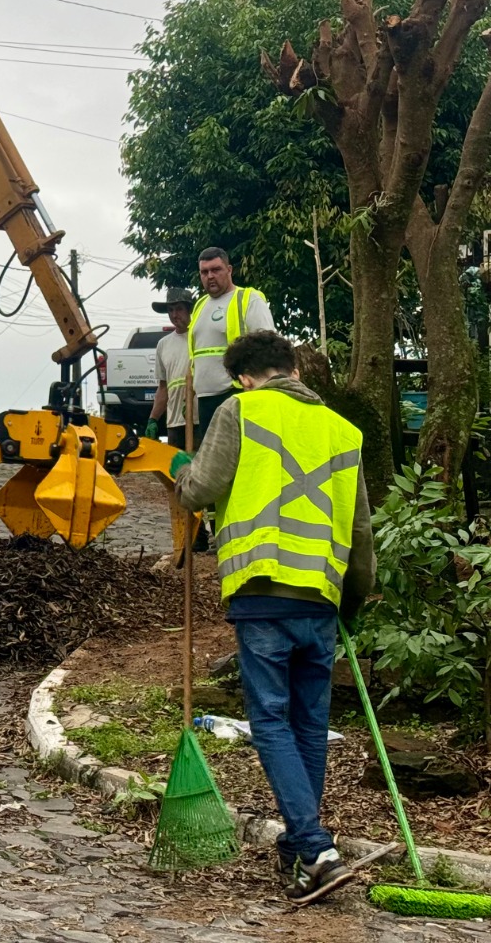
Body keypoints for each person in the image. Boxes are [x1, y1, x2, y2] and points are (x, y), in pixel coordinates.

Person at [170, 330, 376, 903]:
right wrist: (353, 603)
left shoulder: (240, 409)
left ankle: (314, 845)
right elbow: (360, 530)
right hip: (322, 600)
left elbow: (200, 490)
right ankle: (299, 853)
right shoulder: (343, 430)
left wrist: (184, 471)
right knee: (309, 726)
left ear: (244, 377)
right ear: (294, 367)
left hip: (261, 590)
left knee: (271, 721)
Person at [188, 247, 273, 432]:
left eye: (216, 270)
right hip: (205, 399)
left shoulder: (248, 299)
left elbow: (269, 347)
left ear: (229, 270)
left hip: (237, 394)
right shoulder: (200, 306)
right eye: (204, 272)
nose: (210, 276)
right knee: (213, 458)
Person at [145, 287, 195, 449]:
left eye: (179, 309)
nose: (174, 315)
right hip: (174, 422)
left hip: (199, 419)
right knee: (177, 472)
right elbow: (163, 387)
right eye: (170, 310)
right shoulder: (163, 344)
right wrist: (153, 419)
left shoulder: (199, 336)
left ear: (189, 310)